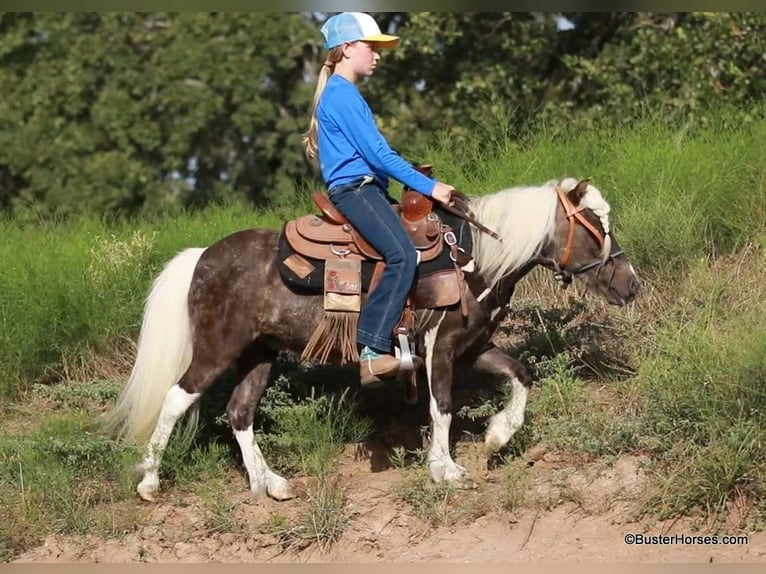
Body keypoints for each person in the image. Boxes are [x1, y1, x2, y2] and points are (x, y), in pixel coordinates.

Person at [303, 12, 456, 387]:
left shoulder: (344, 95)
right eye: (372, 47)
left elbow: (379, 159)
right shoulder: (341, 96)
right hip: (355, 189)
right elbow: (379, 156)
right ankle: (371, 352)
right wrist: (431, 187)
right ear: (347, 48)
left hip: (368, 187)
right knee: (402, 254)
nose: (378, 55)